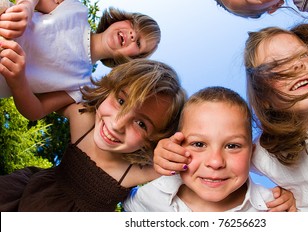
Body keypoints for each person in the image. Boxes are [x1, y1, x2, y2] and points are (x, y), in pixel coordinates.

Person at [153, 17, 308, 211]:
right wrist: (168, 153)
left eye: (302, 56)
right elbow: (219, 160)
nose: (296, 67)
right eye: (277, 67)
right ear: (264, 98)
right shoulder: (262, 150)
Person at [0, 59, 186, 211]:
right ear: (108, 90)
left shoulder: (136, 171)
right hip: (22, 193)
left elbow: (191, 168)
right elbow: (36, 109)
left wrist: (166, 154)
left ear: (152, 141)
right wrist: (18, 83)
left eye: (141, 124)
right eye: (121, 101)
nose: (117, 124)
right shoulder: (83, 117)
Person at [0, 0, 161, 120]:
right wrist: (26, 6)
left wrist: (18, 83)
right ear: (122, 19)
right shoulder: (76, 9)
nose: (132, 34)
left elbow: (37, 111)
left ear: (132, 58)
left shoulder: (82, 85)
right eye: (133, 25)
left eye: (139, 42)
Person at [124, 86, 297, 212]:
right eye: (199, 144)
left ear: (252, 153)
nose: (215, 162)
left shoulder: (275, 209)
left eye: (232, 146)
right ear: (176, 146)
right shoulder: (146, 198)